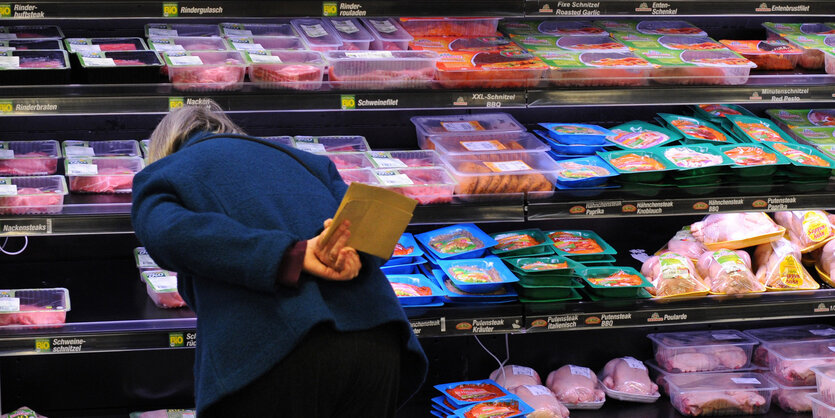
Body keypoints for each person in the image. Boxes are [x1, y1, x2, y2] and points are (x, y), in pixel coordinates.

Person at [131, 101, 427, 417]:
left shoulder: (164, 172)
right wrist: (353, 256)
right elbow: (367, 230)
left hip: (273, 352)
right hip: (378, 342)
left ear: (166, 147)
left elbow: (168, 234)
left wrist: (290, 256)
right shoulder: (310, 163)